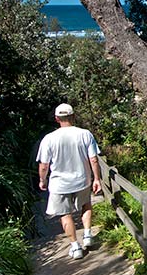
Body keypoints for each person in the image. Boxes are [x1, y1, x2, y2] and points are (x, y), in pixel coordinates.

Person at [37, 103, 102, 260]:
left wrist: (42, 180)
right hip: (82, 180)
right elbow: (93, 159)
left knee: (64, 214)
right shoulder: (85, 134)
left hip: (59, 184)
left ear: (57, 118)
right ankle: (87, 235)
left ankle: (75, 246)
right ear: (73, 116)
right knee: (86, 204)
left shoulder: (49, 139)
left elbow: (44, 165)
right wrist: (97, 178)